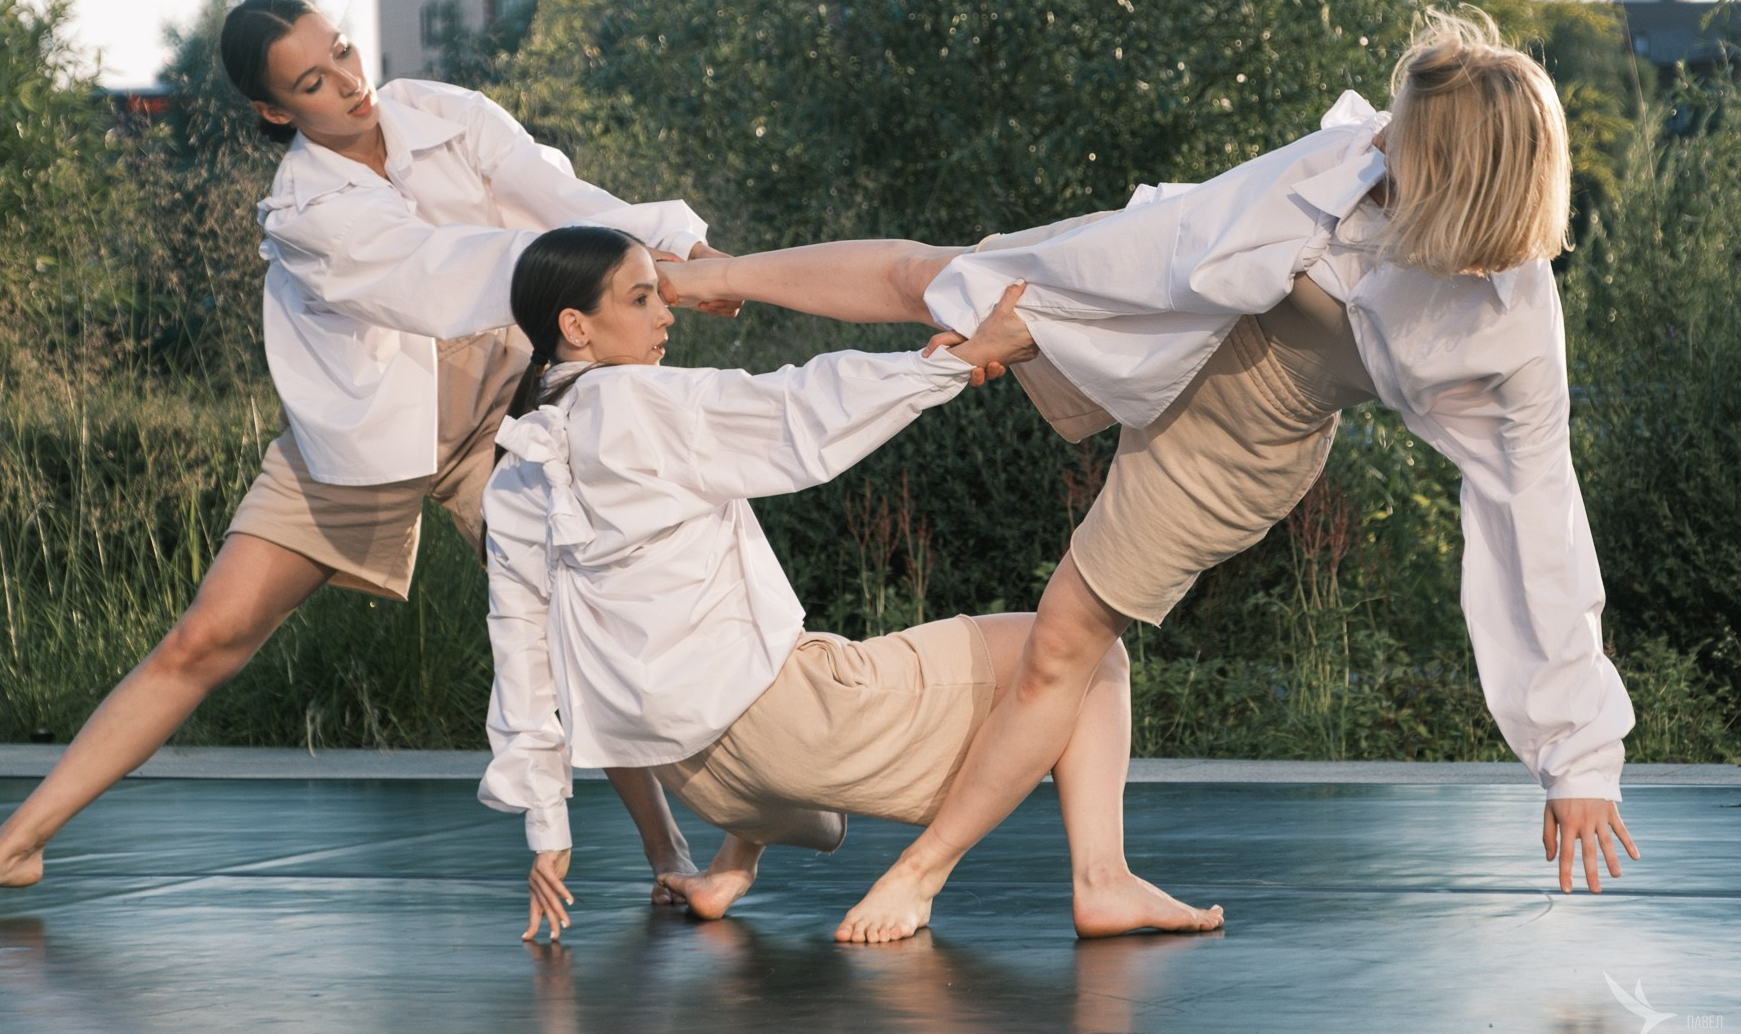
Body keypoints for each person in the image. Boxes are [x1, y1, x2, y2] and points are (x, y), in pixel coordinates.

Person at [659, 10, 1640, 941]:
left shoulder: (1506, 328)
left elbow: (1536, 521)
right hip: (1166, 315)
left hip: (1239, 443)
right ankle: (718, 275)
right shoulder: (1346, 158)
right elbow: (1163, 254)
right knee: (939, 275)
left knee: (1063, 643)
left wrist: (1576, 754)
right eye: (1387, 125)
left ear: (1459, 182)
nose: (1376, 145)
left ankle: (930, 872)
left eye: (1404, 145)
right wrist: (1024, 308)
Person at [0, 0, 721, 922]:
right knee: (205, 638)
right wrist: (632, 266)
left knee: (581, 615)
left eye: (341, 53)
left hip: (505, 401)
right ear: (275, 112)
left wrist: (684, 250)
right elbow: (447, 268)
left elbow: (562, 201)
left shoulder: (441, 111)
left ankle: (672, 851)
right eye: (311, 83)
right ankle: (14, 847)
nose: (346, 83)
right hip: (367, 428)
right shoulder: (305, 210)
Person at [479, 225, 1225, 943]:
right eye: (642, 298)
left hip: (704, 781)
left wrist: (548, 830)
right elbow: (799, 408)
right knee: (1091, 655)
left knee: (766, 655)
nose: (665, 313)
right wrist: (960, 358)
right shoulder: (638, 403)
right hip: (789, 734)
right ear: (576, 325)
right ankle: (1091, 878)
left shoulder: (513, 477)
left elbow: (525, 659)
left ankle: (729, 865)